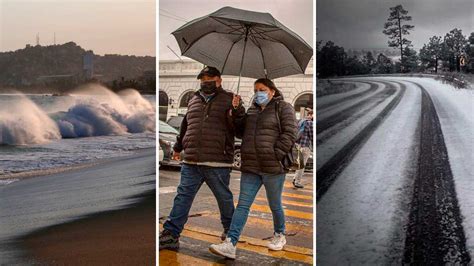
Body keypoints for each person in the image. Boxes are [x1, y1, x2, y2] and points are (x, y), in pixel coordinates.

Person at [209, 78, 297, 259]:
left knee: (275, 205)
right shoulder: (252, 109)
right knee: (242, 205)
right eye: (256, 90)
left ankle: (280, 234)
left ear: (272, 91)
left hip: (272, 167)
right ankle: (231, 243)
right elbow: (241, 131)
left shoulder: (283, 107)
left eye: (262, 89)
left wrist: (276, 154)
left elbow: (290, 133)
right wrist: (237, 109)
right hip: (251, 167)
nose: (258, 93)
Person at [159, 66, 245, 250]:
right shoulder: (194, 99)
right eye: (203, 79)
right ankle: (171, 234)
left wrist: (237, 111)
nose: (205, 82)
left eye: (209, 79)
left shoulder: (231, 99)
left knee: (224, 199)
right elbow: (186, 125)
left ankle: (230, 233)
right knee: (183, 197)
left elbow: (240, 130)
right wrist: (178, 147)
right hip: (191, 160)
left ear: (219, 80)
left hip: (218, 161)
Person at [293, 109, 313, 188]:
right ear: (311, 115)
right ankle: (297, 181)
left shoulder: (301, 121)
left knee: (299, 164)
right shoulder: (310, 123)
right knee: (302, 165)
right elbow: (312, 136)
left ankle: (295, 179)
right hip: (305, 147)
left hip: (298, 145)